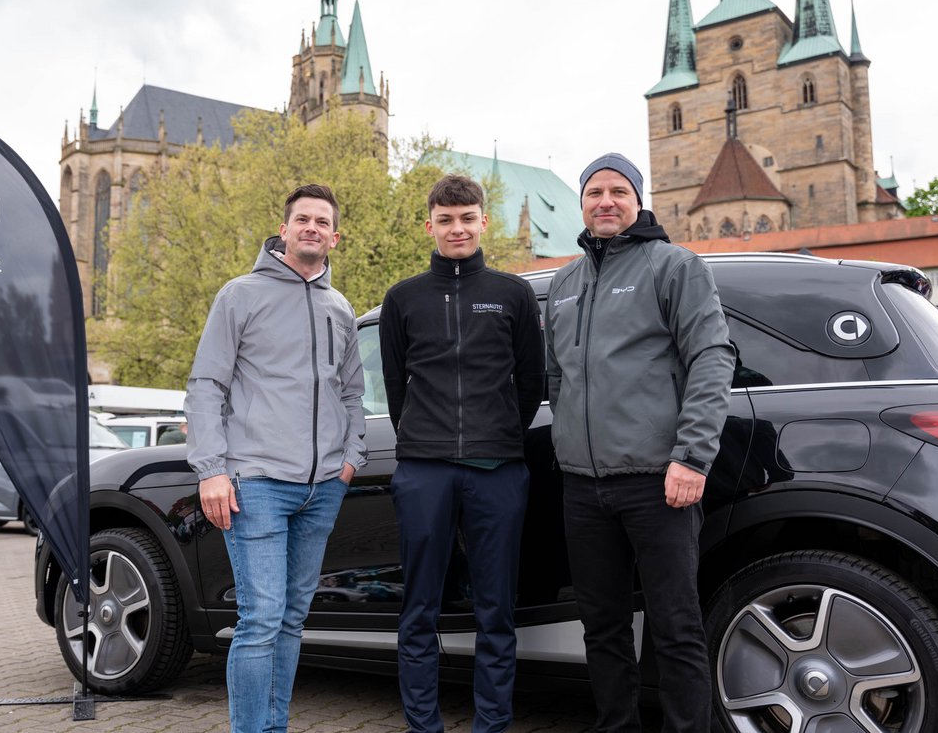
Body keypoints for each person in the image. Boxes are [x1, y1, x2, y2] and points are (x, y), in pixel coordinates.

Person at [544, 153, 735, 732]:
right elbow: (557, 376)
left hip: (659, 483)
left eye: (618, 191)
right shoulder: (564, 283)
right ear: (582, 202)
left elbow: (712, 358)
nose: (606, 201)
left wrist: (692, 457)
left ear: (637, 200)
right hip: (583, 488)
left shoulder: (674, 266)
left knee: (675, 627)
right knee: (601, 628)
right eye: (594, 192)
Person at [185, 184, 366, 733]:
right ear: (284, 230)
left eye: (322, 222)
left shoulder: (340, 307)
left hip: (323, 486)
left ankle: (274, 726)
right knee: (260, 619)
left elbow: (352, 392)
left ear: (335, 237)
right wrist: (212, 471)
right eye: (302, 219)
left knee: (290, 620)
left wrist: (351, 457)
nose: (312, 227)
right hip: (257, 482)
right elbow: (206, 385)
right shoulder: (239, 295)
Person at [379, 173, 545, 733]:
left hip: (498, 470)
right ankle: (423, 727)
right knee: (419, 609)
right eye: (446, 220)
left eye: (467, 218)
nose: (457, 229)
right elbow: (395, 386)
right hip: (423, 472)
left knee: (496, 610)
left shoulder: (513, 294)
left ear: (483, 222)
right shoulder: (402, 298)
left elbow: (531, 381)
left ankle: (491, 725)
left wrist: (498, 433)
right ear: (429, 225)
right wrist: (423, 439)